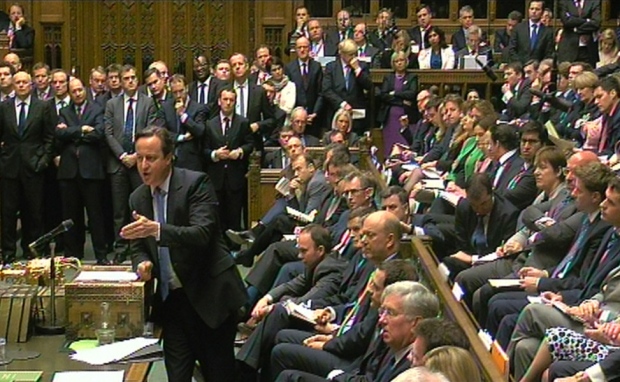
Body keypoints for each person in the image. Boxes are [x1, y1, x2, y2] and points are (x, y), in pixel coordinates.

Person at [121, 126, 246, 382]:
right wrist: (142, 262)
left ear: (169, 158)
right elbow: (138, 244)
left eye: (151, 158)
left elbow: (201, 234)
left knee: (218, 375)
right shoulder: (137, 198)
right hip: (173, 302)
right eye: (139, 157)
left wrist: (157, 230)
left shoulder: (196, 183)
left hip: (210, 297)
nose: (143, 165)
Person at [104, 64, 161, 264]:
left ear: (138, 80)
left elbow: (152, 130)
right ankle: (121, 248)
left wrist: (137, 156)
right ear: (120, 80)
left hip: (142, 163)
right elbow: (108, 133)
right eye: (126, 78)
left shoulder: (148, 103)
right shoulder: (112, 104)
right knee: (119, 209)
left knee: (141, 206)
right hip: (118, 163)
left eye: (133, 78)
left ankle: (143, 247)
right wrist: (122, 156)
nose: (130, 81)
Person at [0, 70, 55, 262]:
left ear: (31, 84)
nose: (22, 85)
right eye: (18, 82)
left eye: (25, 82)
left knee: (34, 212)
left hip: (34, 166)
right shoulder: (4, 107)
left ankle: (33, 250)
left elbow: (49, 137)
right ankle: (7, 252)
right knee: (8, 213)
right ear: (13, 85)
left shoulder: (42, 107)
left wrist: (44, 161)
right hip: (9, 167)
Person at [56, 77, 108, 264]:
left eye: (80, 90)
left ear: (84, 89)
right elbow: (59, 134)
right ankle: (73, 255)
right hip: (69, 172)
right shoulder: (64, 111)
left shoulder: (96, 109)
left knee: (95, 215)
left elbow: (99, 134)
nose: (77, 93)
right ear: (69, 93)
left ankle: (101, 256)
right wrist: (82, 130)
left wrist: (72, 132)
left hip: (90, 170)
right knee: (70, 216)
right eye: (74, 91)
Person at [203, 87, 253, 235]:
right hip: (216, 178)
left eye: (231, 100)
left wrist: (240, 152)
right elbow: (203, 150)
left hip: (235, 178)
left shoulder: (243, 122)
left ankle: (235, 250)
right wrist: (215, 154)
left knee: (234, 217)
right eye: (225, 99)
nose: (228, 103)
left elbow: (250, 144)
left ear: (235, 103)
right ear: (219, 101)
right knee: (218, 218)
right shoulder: (210, 124)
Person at [322, 38, 373, 136]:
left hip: (356, 116)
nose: (353, 57)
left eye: (355, 54)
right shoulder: (331, 67)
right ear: (342, 54)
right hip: (336, 114)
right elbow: (326, 90)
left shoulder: (362, 66)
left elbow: (369, 86)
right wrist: (342, 104)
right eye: (350, 54)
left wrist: (357, 69)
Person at [230, 52, 275, 152]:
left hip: (253, 144)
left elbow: (271, 120)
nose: (237, 67)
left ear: (247, 66)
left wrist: (258, 125)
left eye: (240, 64)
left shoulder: (259, 91)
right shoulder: (225, 91)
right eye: (234, 65)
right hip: (230, 144)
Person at [162, 74, 207, 172]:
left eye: (181, 91)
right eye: (175, 92)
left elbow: (200, 130)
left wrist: (183, 115)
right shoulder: (166, 107)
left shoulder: (198, 108)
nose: (178, 95)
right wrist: (181, 138)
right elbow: (162, 132)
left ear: (187, 88)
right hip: (171, 160)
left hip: (191, 162)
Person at [377, 50, 418, 156]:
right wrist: (402, 102)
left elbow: (412, 94)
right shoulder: (388, 77)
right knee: (391, 145)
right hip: (390, 116)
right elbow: (384, 95)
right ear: (393, 63)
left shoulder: (412, 77)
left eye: (402, 60)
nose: (399, 63)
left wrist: (395, 93)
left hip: (406, 115)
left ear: (406, 61)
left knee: (404, 143)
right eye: (396, 61)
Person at [285, 36, 323, 138]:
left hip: (313, 119)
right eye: (299, 47)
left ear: (310, 48)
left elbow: (320, 93)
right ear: (296, 49)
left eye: (305, 47)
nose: (302, 50)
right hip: (296, 120)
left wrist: (315, 113)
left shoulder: (316, 67)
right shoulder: (289, 68)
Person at [508, 0, 554, 65]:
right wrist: (520, 65)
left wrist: (538, 67)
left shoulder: (548, 32)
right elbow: (512, 50)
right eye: (532, 9)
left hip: (538, 70)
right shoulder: (518, 28)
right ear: (528, 10)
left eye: (537, 9)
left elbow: (548, 53)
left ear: (542, 12)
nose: (534, 11)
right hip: (520, 68)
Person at [558, 0, 601, 67]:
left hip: (588, 49)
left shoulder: (594, 2)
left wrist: (576, 29)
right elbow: (566, 21)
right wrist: (587, 20)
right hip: (569, 48)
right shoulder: (565, 2)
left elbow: (596, 23)